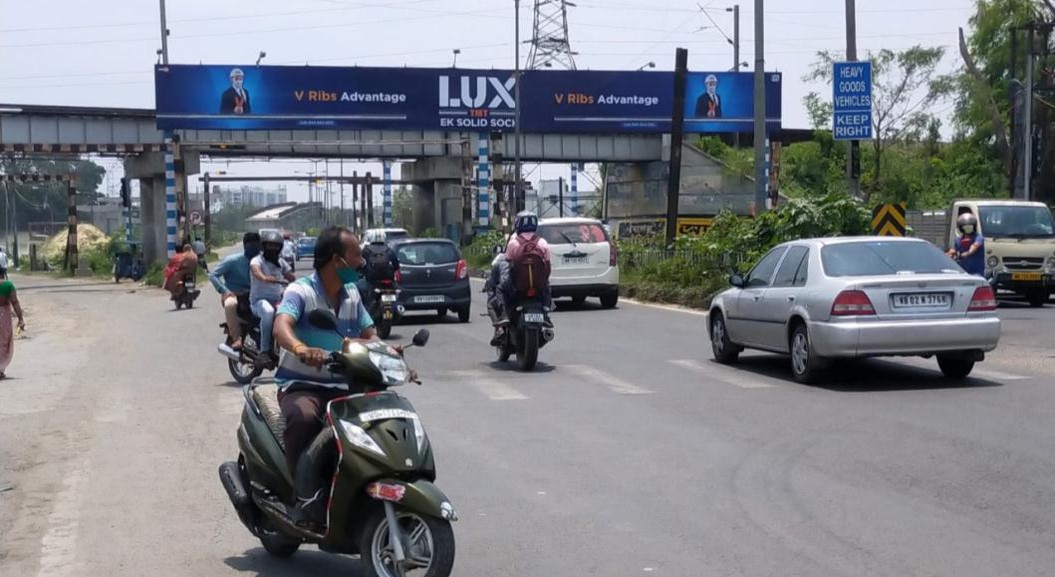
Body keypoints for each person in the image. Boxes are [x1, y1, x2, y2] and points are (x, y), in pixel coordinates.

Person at [272, 226, 379, 530]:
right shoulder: (301, 291)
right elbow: (281, 326)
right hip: (303, 385)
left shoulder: (352, 294)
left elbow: (370, 334)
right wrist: (301, 348)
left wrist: (391, 354)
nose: (362, 261)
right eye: (356, 254)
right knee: (304, 418)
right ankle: (302, 499)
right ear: (337, 260)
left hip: (344, 385)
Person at [209, 232, 260, 350]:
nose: (254, 248)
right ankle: (237, 338)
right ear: (245, 246)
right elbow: (213, 275)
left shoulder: (262, 262)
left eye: (256, 245)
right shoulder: (233, 261)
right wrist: (224, 290)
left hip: (254, 295)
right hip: (234, 294)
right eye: (251, 245)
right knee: (230, 305)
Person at [250, 230, 295, 365]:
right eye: (270, 246)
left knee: (291, 313)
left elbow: (291, 277)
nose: (273, 249)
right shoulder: (256, 260)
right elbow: (256, 272)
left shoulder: (281, 262)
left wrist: (300, 284)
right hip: (258, 301)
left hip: (277, 300)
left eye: (276, 247)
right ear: (263, 246)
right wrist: (266, 278)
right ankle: (264, 351)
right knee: (268, 312)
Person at [501, 211, 553, 323]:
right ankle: (546, 310)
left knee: (501, 289)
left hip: (518, 286)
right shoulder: (543, 243)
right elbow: (548, 267)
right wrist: (543, 281)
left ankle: (504, 315)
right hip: (539, 286)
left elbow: (507, 263)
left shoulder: (513, 243)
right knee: (548, 287)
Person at [358, 236, 400, 310]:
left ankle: (364, 313)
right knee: (396, 292)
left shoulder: (366, 250)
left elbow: (359, 263)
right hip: (388, 280)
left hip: (372, 280)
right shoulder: (389, 250)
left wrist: (361, 271)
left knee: (358, 288)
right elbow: (396, 265)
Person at [0, 276, 25, 379]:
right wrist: (21, 319)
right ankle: (0, 368)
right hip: (3, 317)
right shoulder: (8, 285)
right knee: (3, 342)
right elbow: (15, 302)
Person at [947, 212, 985, 277]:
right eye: (965, 227)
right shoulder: (958, 240)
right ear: (961, 228)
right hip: (962, 272)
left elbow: (975, 246)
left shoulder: (978, 237)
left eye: (970, 226)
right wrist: (947, 256)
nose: (968, 228)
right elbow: (953, 251)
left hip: (977, 272)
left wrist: (967, 253)